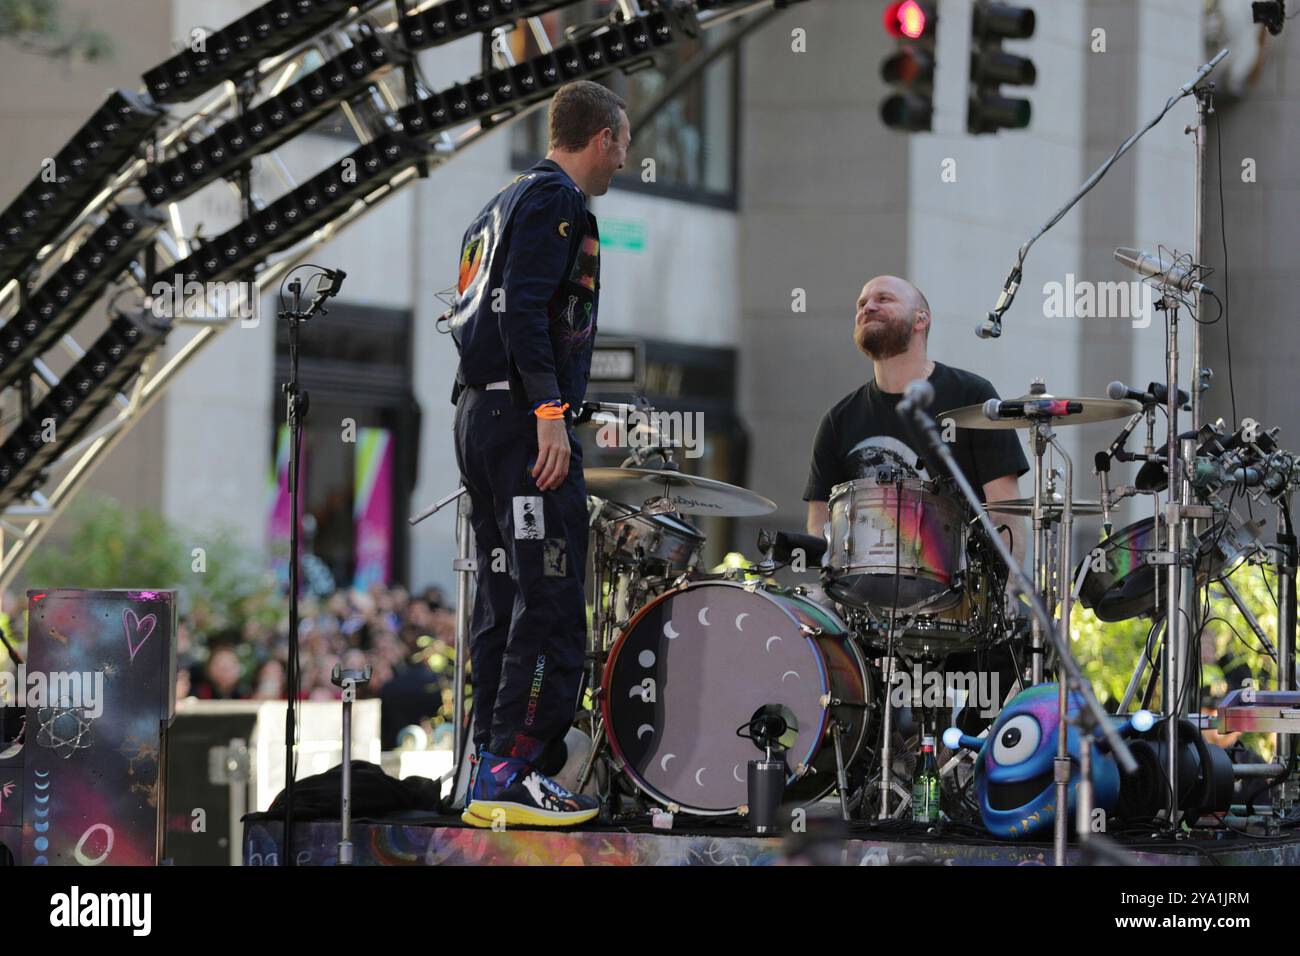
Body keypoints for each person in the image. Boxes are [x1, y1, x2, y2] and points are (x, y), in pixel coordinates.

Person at [449, 80, 629, 828]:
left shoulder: (501, 200)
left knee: (505, 596)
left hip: (479, 413)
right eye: (623, 143)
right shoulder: (556, 200)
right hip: (522, 419)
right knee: (551, 599)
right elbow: (524, 306)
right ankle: (513, 768)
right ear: (603, 140)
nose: (626, 159)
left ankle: (481, 765)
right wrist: (551, 412)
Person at [804, 275, 1028, 561]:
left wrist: (1007, 592)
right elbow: (820, 521)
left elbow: (1005, 510)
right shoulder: (839, 419)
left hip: (961, 593)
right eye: (861, 303)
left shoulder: (972, 396)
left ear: (921, 319)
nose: (867, 307)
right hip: (864, 595)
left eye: (883, 299)